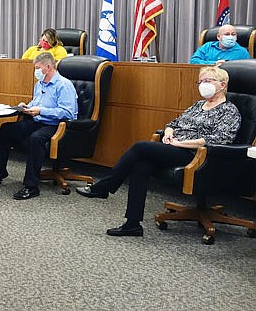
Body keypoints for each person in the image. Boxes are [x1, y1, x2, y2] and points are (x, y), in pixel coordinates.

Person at [76, 66, 240, 237]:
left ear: (222, 85)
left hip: (198, 156)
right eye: (201, 81)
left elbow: (219, 140)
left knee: (140, 147)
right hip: (176, 147)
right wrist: (168, 133)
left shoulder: (229, 111)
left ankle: (104, 186)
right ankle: (132, 224)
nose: (203, 85)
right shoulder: (199, 105)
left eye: (208, 81)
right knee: (141, 166)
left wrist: (181, 143)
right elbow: (175, 123)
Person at [0, 52, 78, 199]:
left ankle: (31, 186)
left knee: (36, 138)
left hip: (56, 125)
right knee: (6, 129)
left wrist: (41, 110)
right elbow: (37, 103)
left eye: (38, 68)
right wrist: (26, 106)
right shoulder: (39, 84)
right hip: (37, 120)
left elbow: (68, 113)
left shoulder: (64, 85)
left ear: (48, 67)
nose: (36, 72)